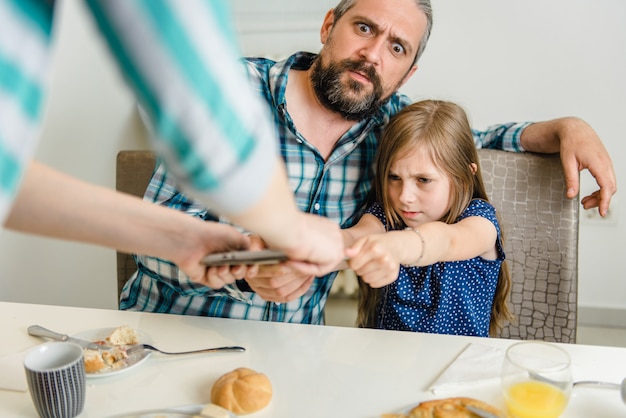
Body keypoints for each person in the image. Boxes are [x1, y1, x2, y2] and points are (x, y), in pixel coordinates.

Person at [120, 0, 616, 323]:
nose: (373, 54)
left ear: (407, 72)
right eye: (364, 28)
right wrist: (245, 269)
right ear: (329, 25)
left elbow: (467, 143)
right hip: (171, 332)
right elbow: (153, 236)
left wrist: (562, 128)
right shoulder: (228, 96)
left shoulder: (393, 127)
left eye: (396, 47)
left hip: (292, 354)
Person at [0, 0, 345, 283]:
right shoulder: (249, 83)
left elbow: (8, 177)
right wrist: (292, 228)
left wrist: (181, 239)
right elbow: (199, 109)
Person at [343, 100, 512, 337]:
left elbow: (446, 240)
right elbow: (355, 237)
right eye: (394, 177)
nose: (404, 197)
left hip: (460, 366)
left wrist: (399, 245)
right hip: (388, 363)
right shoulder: (387, 215)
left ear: (464, 177)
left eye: (423, 180)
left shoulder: (479, 220)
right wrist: (319, 246)